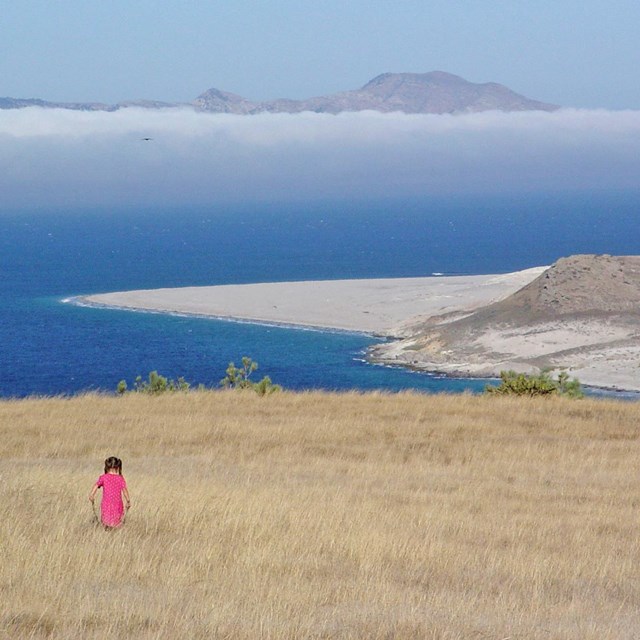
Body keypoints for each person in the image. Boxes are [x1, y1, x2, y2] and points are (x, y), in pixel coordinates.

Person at [89, 456, 131, 528]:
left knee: (106, 521)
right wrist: (128, 500)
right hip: (117, 503)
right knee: (117, 522)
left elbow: (96, 485)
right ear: (118, 467)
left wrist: (91, 495)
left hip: (106, 503)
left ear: (107, 467)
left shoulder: (103, 477)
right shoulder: (120, 478)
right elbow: (125, 491)